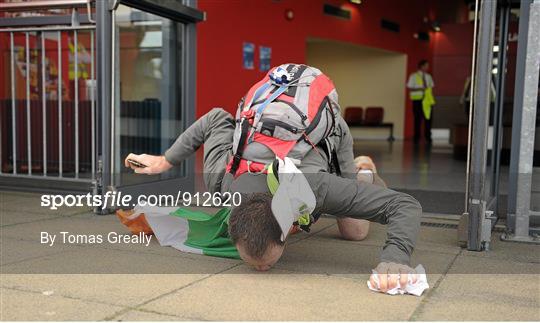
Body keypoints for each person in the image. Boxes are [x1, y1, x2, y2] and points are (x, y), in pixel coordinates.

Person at [126, 108, 421, 292]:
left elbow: (405, 206)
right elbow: (216, 118)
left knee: (355, 231)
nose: (261, 270)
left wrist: (395, 258)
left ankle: (365, 169)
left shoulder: (316, 188)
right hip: (267, 152)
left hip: (328, 139)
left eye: (265, 262)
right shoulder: (223, 183)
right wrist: (165, 161)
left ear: (287, 229)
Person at [407, 59, 435, 144]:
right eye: (426, 65)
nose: (427, 67)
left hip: (427, 100)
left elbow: (431, 87)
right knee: (417, 119)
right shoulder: (413, 76)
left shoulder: (429, 76)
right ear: (421, 66)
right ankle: (416, 137)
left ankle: (428, 137)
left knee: (428, 118)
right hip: (417, 100)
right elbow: (410, 87)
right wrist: (420, 88)